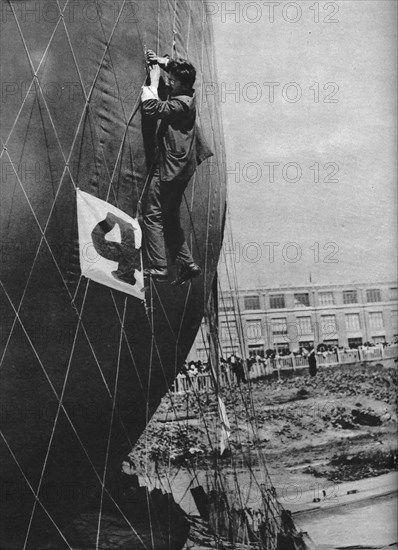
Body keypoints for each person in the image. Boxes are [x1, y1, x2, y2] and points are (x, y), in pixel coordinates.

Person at [140, 50, 213, 285]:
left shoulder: (180, 104)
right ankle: (187, 264)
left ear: (179, 83)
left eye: (171, 79)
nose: (168, 81)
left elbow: (150, 108)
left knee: (151, 214)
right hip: (183, 166)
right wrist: (163, 62)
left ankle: (158, 267)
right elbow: (181, 69)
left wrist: (152, 80)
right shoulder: (188, 90)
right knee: (169, 217)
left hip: (170, 168)